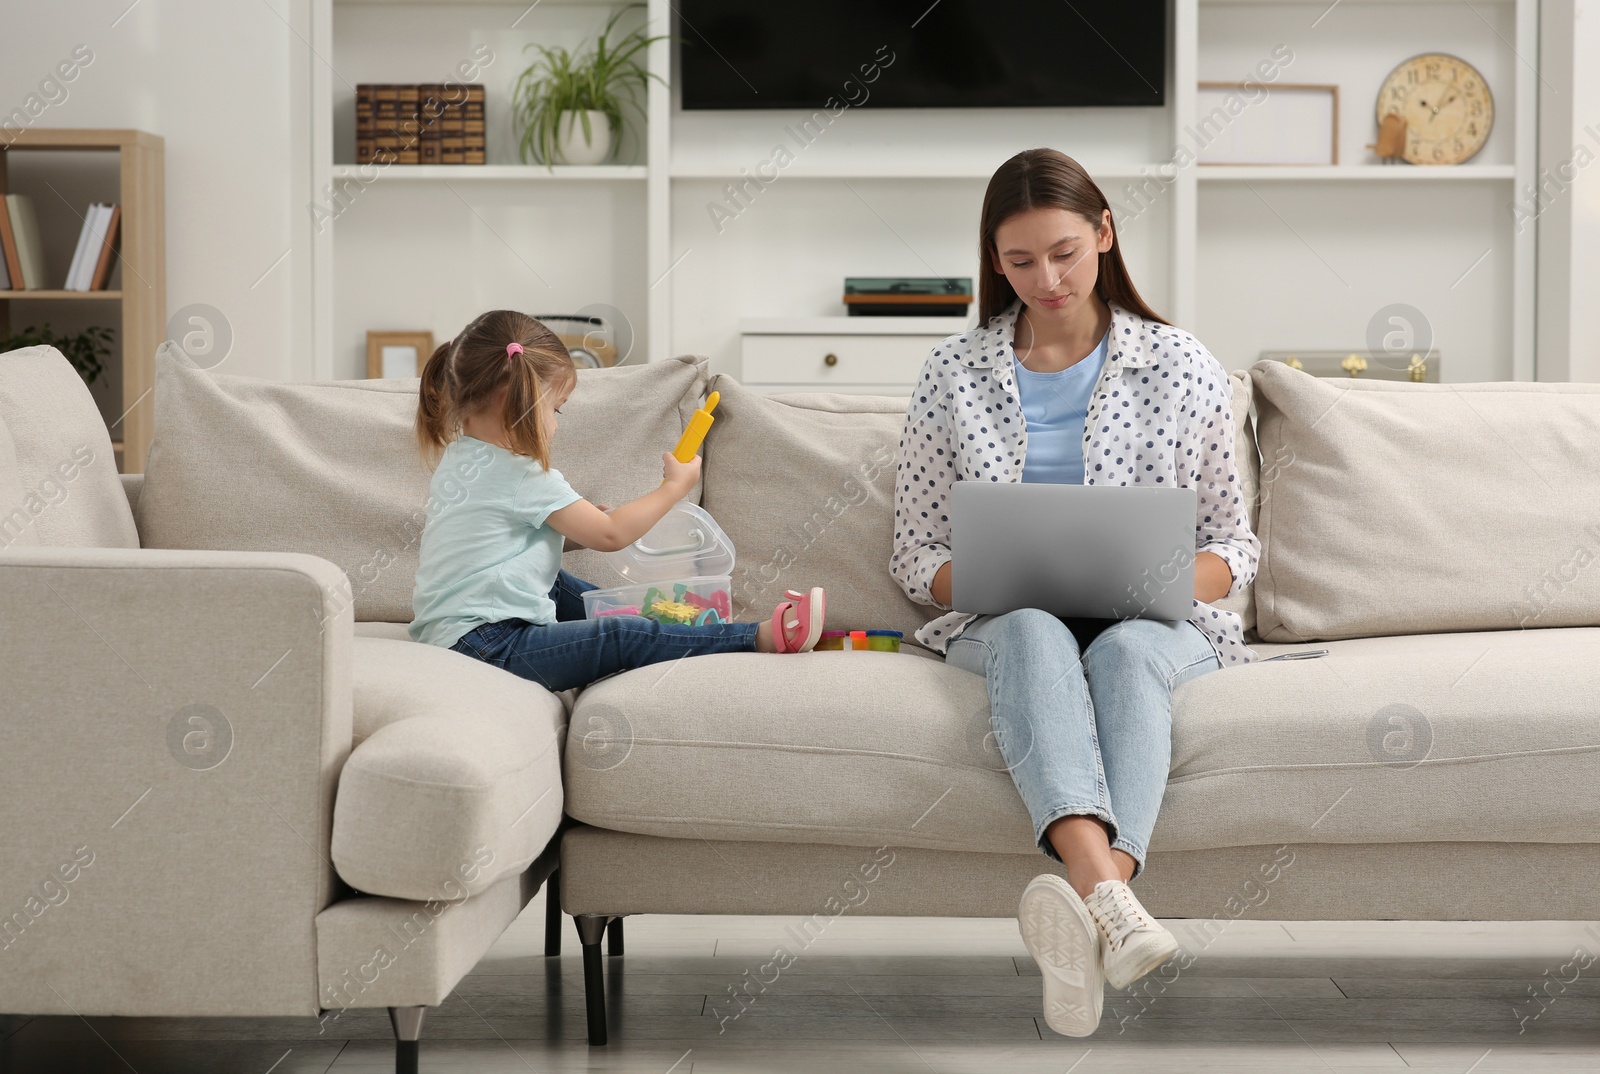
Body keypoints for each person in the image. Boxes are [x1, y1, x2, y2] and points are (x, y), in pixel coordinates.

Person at [888, 149, 1260, 1037]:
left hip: (1158, 619)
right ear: (993, 261)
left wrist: (1161, 584)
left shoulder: (1180, 363)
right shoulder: (953, 372)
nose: (1046, 279)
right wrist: (982, 577)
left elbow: (1234, 545)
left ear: (1103, 234)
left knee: (1130, 648)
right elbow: (914, 550)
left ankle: (1088, 912)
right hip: (1007, 620)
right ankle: (1114, 907)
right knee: (1028, 629)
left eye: (1064, 252)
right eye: (1018, 261)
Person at [410, 309, 826, 691]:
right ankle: (757, 637)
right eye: (556, 410)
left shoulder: (462, 456)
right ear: (512, 399)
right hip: (490, 648)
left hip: (455, 636)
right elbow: (610, 536)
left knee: (553, 582)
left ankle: (662, 621)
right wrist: (673, 487)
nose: (555, 425)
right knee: (619, 635)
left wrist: (568, 531)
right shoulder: (522, 474)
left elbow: (496, 539)